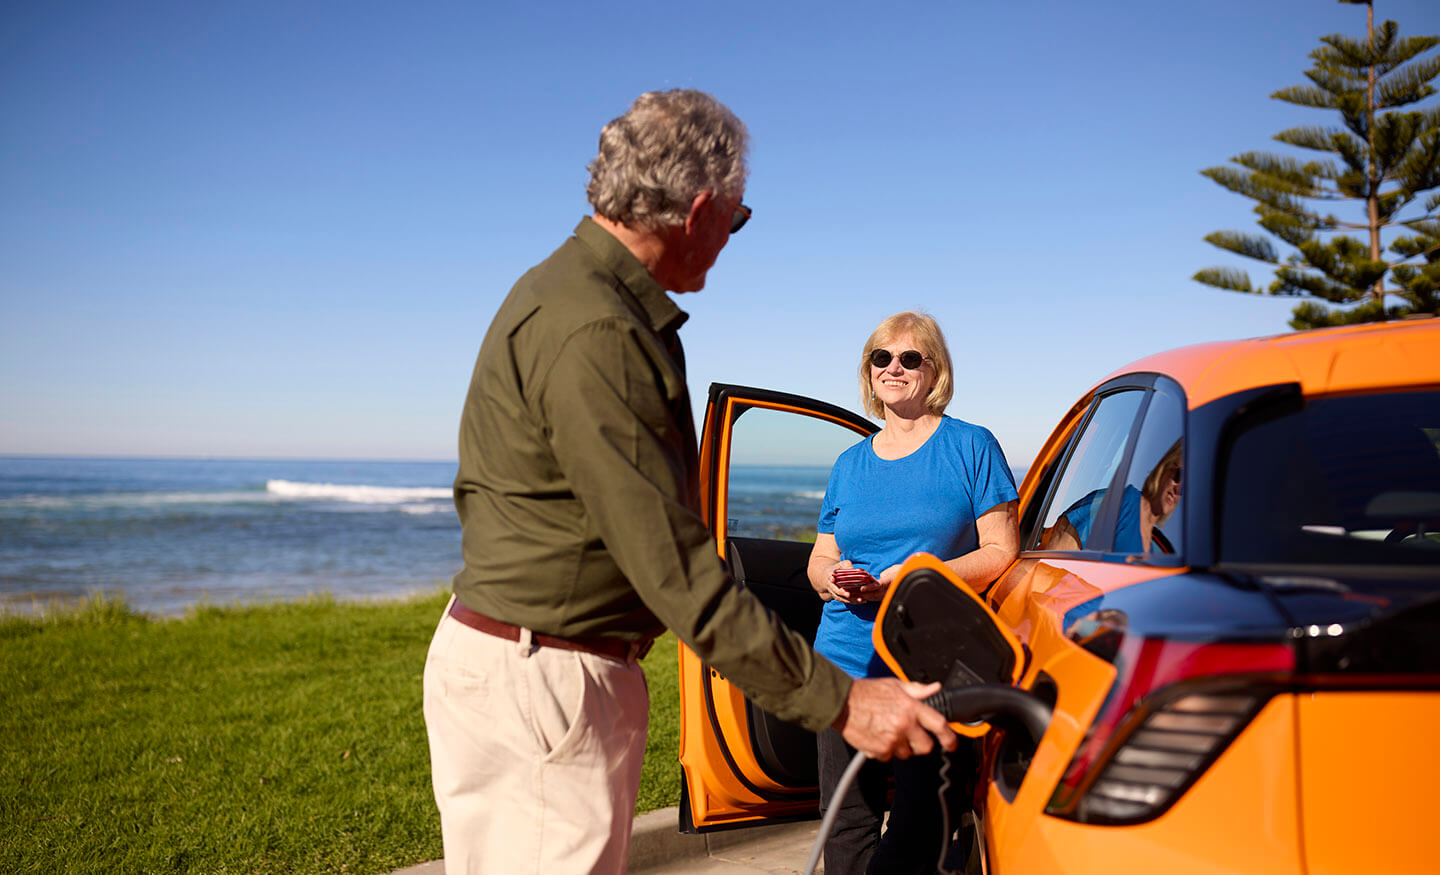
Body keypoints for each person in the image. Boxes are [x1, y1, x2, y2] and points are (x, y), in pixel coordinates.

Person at [421, 90, 957, 875]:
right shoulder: (600, 331)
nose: (730, 240)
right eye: (736, 221)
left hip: (524, 662)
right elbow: (675, 570)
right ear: (699, 209)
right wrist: (844, 700)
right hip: (548, 680)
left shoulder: (560, 290)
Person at [806, 311, 1020, 875]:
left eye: (910, 358)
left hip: (931, 668)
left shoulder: (971, 446)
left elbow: (1002, 551)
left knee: (927, 823)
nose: (893, 368)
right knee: (846, 821)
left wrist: (923, 576)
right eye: (882, 358)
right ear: (869, 371)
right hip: (845, 662)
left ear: (935, 371)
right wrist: (831, 578)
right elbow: (819, 557)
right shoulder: (849, 464)